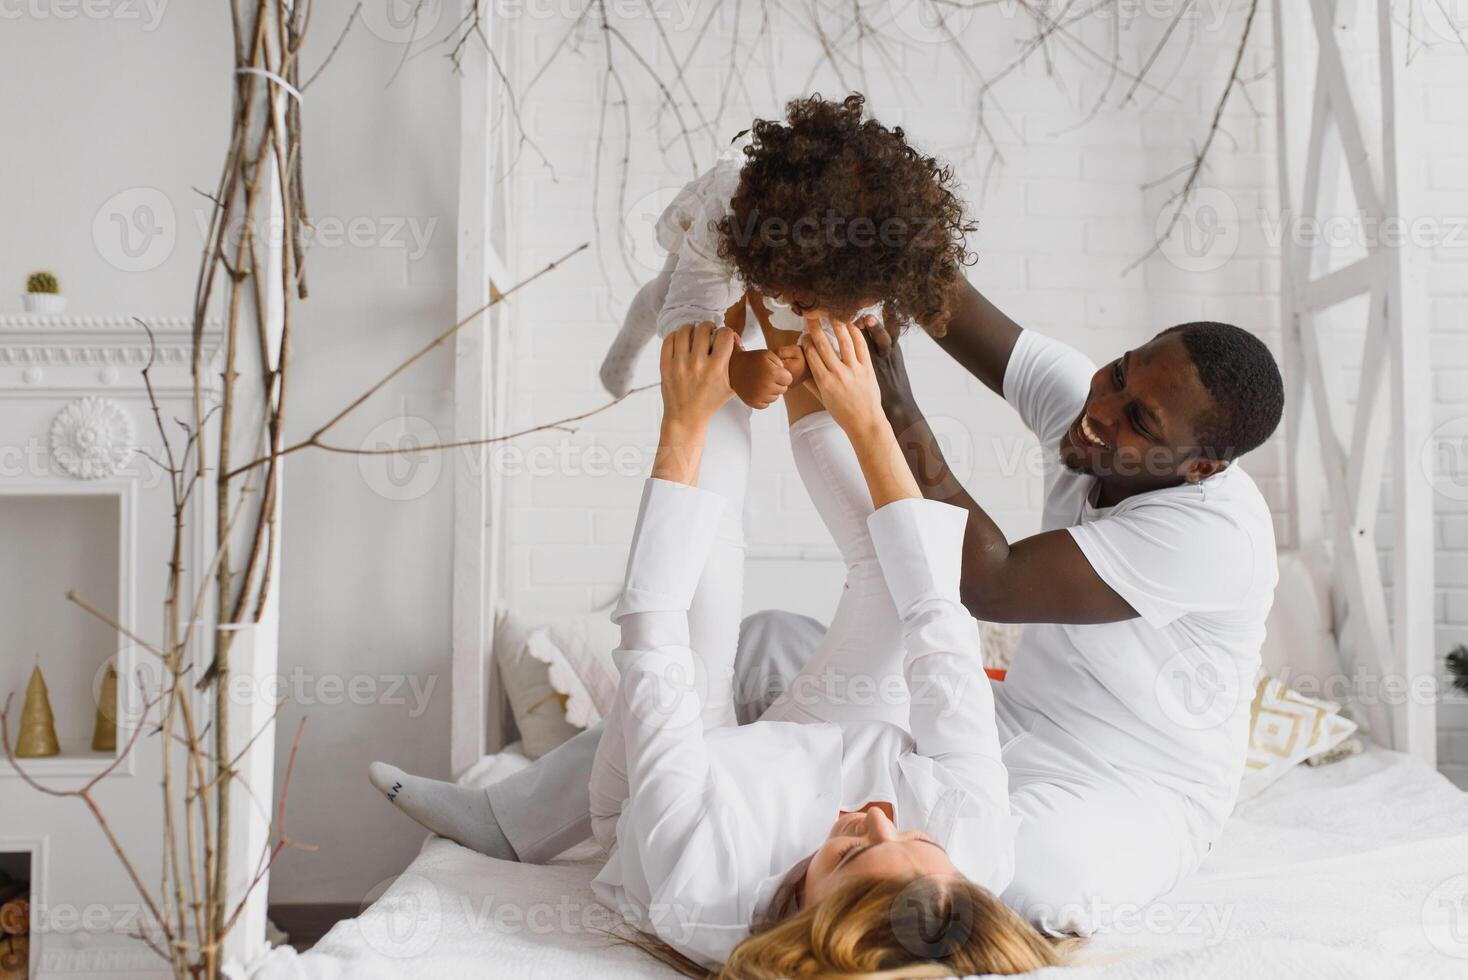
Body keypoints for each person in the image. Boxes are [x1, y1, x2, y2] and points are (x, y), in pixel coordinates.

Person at [369, 278, 1285, 938]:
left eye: (1139, 425)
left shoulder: (1215, 537)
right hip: (1012, 721)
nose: (1101, 412)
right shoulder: (1102, 409)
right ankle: (519, 817)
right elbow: (941, 292)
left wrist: (880, 403)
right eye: (1121, 375)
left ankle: (820, 890)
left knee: (1016, 871)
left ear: (1203, 465)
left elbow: (987, 585)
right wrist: (841, 259)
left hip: (1132, 783)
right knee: (777, 652)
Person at [373, 321, 1063, 976]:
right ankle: (800, 339)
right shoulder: (974, 852)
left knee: (705, 595)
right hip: (823, 744)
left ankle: (724, 371)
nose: (877, 816)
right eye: (919, 839)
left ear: (800, 917)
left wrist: (682, 419)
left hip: (685, 794)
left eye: (853, 852)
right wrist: (867, 418)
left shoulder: (698, 883)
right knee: (893, 590)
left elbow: (654, 640)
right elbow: (939, 624)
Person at [593, 92, 972, 741]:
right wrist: (739, 369)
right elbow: (689, 323)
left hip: (799, 268)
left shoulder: (866, 258)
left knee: (884, 548)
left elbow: (828, 315)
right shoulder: (725, 218)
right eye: (810, 305)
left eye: (843, 312)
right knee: (658, 305)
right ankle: (623, 350)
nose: (823, 324)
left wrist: (814, 356)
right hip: (713, 268)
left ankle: (721, 748)